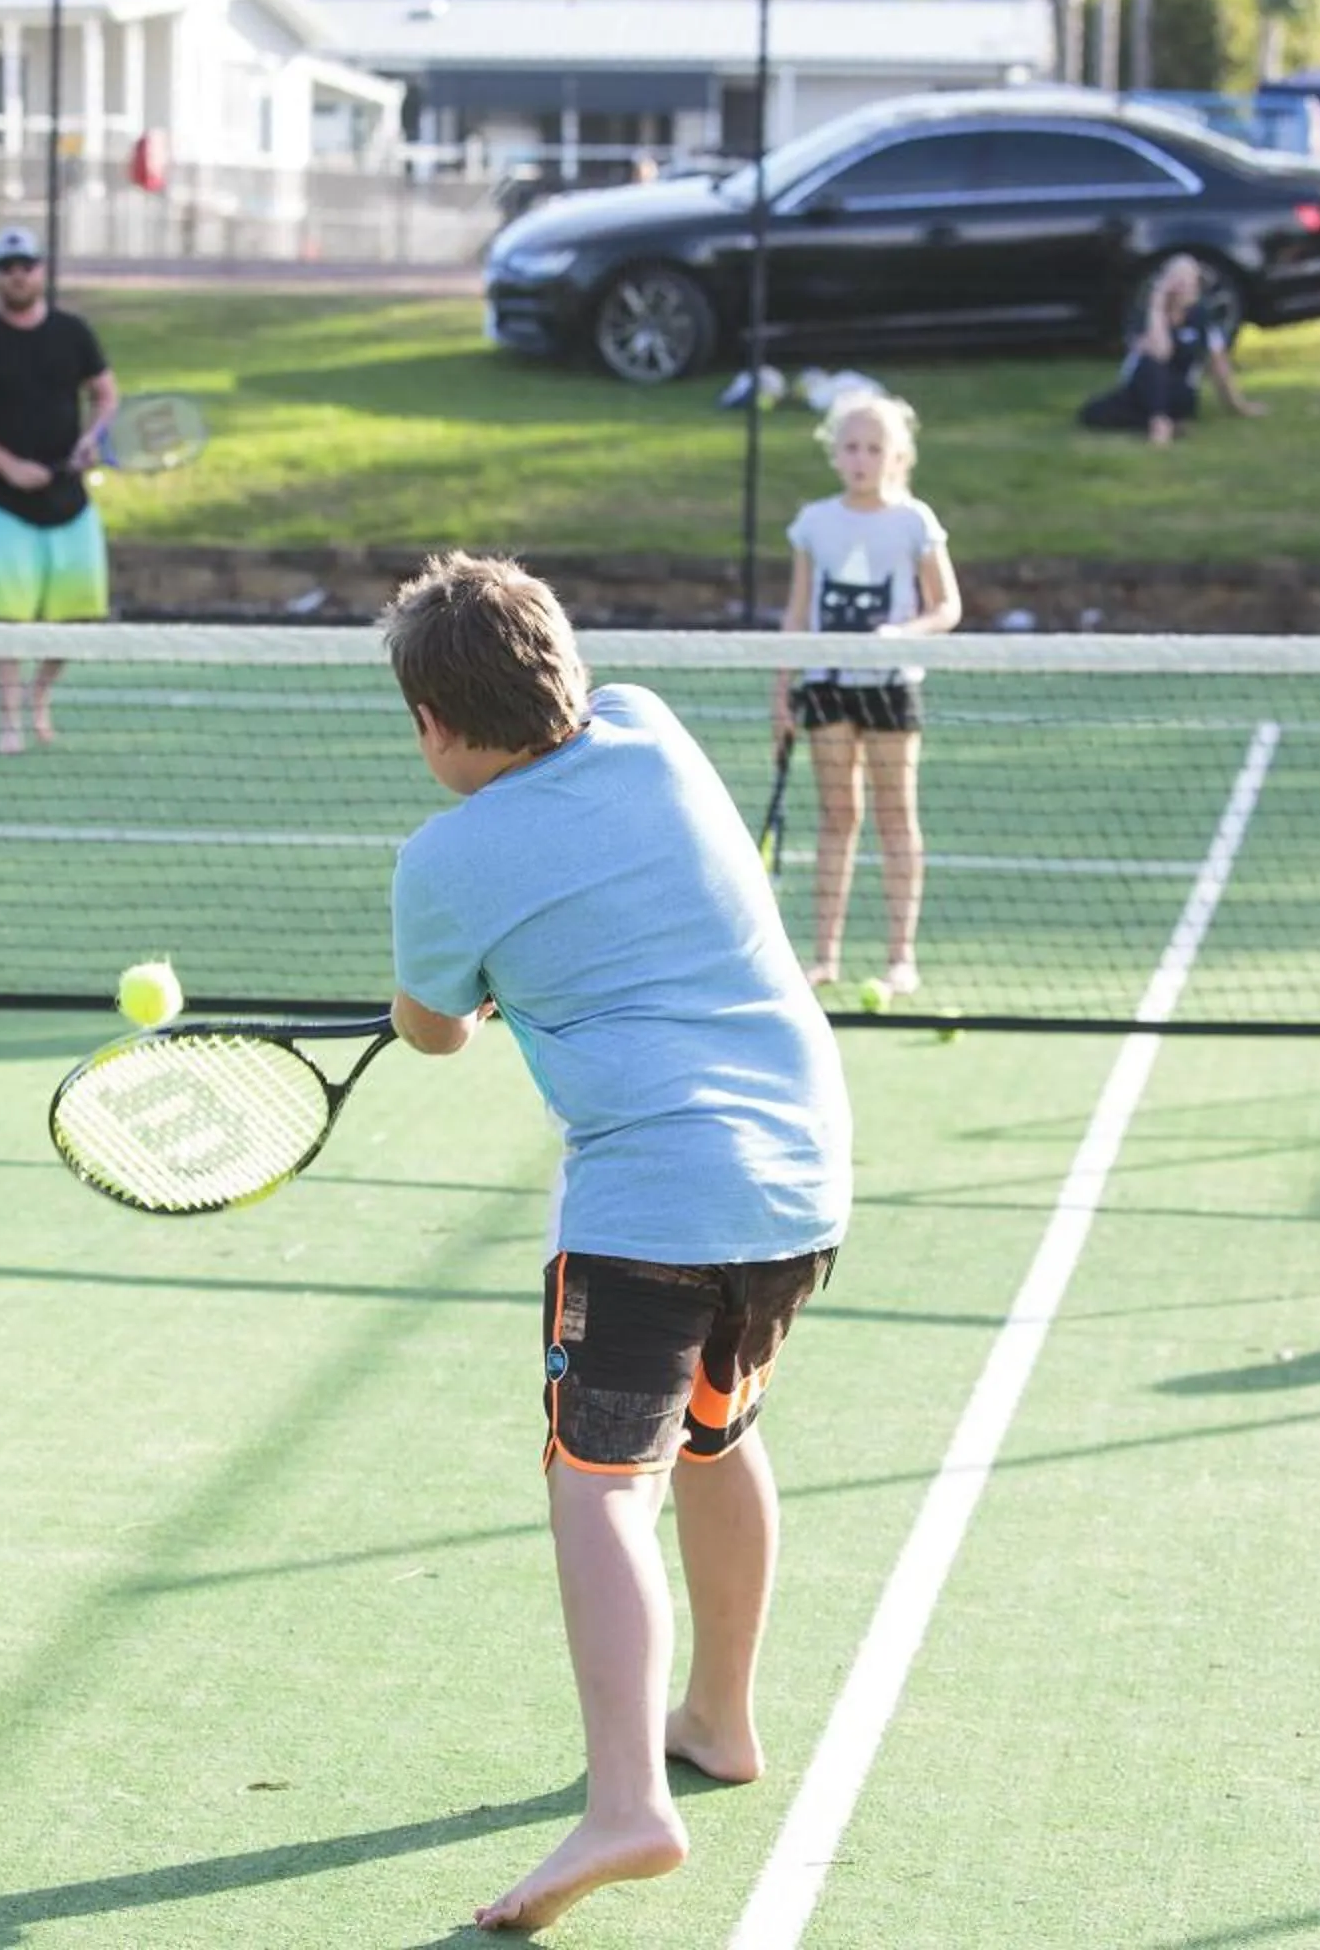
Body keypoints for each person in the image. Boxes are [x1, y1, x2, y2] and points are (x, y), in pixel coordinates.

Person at [384, 554, 852, 1936]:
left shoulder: (442, 860)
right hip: (797, 1178)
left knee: (597, 1487)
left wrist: (449, 996)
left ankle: (627, 1803)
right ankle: (719, 1717)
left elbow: (434, 1029)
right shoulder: (649, 725)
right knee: (717, 1432)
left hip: (651, 1200)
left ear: (434, 725)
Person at [774, 390, 963, 993]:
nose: (861, 459)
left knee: (895, 815)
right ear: (835, 454)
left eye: (874, 448)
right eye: (851, 447)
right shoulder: (814, 523)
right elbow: (798, 612)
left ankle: (901, 957)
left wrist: (900, 636)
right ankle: (824, 956)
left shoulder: (915, 522)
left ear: (898, 456)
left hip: (890, 687)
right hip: (826, 687)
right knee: (838, 815)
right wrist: (783, 688)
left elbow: (947, 607)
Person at [0, 225, 120, 755]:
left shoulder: (73, 333)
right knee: (6, 621)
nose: (18, 276)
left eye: (26, 266)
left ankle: (39, 697)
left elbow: (106, 395)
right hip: (4, 507)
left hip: (70, 503)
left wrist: (92, 439)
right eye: (7, 268)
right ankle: (9, 720)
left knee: (78, 622)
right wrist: (9, 467)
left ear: (42, 270)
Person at [1078, 254, 1267, 445]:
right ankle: (1165, 423)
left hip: (1179, 393)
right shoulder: (1146, 316)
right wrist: (1157, 304)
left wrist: (1239, 406)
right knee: (1092, 413)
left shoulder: (1202, 318)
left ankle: (1159, 423)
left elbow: (1220, 366)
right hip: (1141, 390)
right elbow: (1161, 351)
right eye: (1178, 279)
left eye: (1189, 280)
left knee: (1154, 368)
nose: (1184, 287)